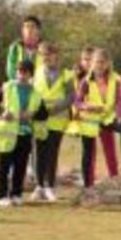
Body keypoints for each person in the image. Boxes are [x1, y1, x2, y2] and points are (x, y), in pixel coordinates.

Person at [0, 58, 46, 207]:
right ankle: (0, 196)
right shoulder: (7, 87)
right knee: (4, 167)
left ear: (30, 74)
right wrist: (2, 112)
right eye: (19, 70)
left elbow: (44, 114)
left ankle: (16, 194)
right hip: (7, 133)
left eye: (25, 71)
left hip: (25, 134)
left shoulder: (36, 93)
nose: (21, 74)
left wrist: (31, 114)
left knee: (20, 167)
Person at [71, 48, 121, 188]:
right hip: (89, 122)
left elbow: (119, 101)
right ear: (91, 63)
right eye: (96, 62)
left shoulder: (114, 80)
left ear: (108, 64)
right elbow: (77, 101)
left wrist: (119, 116)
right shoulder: (85, 82)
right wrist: (87, 106)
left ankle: (115, 181)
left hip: (107, 120)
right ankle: (89, 185)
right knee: (89, 155)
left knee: (110, 152)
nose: (99, 65)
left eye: (102, 62)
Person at [32, 41, 74, 202]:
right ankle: (39, 186)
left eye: (49, 54)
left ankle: (50, 187)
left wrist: (56, 108)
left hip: (57, 119)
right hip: (39, 119)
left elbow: (72, 97)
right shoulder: (35, 73)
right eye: (43, 54)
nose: (46, 57)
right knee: (38, 153)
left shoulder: (66, 74)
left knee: (52, 153)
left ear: (57, 56)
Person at [6, 15, 42, 80]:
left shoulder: (44, 48)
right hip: (19, 85)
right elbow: (10, 71)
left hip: (38, 86)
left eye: (32, 26)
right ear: (22, 30)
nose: (29, 29)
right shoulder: (14, 47)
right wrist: (22, 80)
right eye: (26, 26)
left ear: (38, 30)